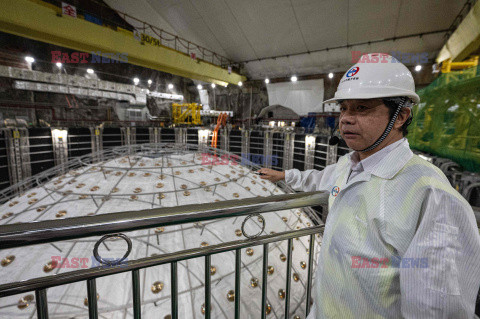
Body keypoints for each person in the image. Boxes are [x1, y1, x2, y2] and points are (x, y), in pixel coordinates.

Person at [258, 53, 480, 318]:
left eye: (362, 108)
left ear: (400, 117)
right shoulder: (347, 165)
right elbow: (319, 179)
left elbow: (438, 309)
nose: (346, 119)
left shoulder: (431, 196)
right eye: (344, 108)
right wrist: (285, 175)